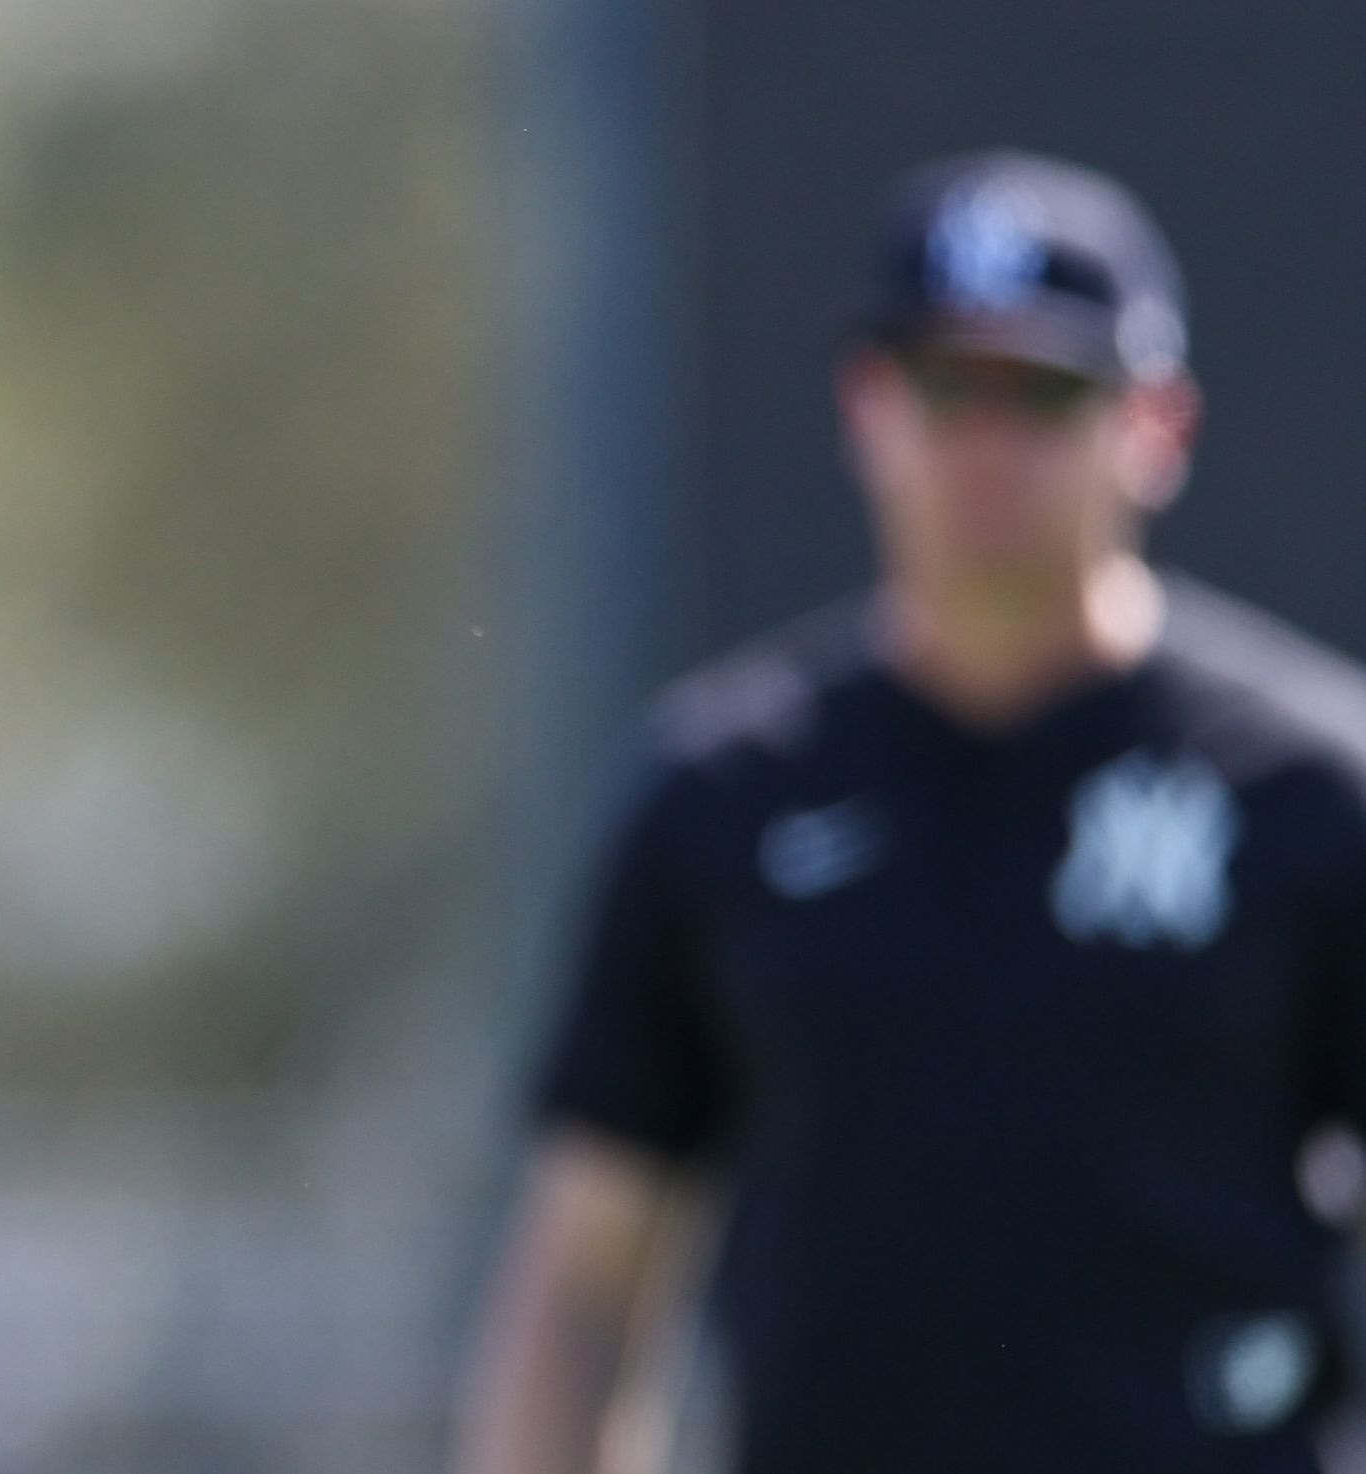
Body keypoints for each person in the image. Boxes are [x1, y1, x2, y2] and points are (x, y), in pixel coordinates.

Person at [458, 151, 1366, 1474]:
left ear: (1156, 425)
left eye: (1045, 389)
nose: (988, 442)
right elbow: (588, 1265)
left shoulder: (1312, 788)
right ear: (866, 406)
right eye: (947, 385)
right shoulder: (723, 793)